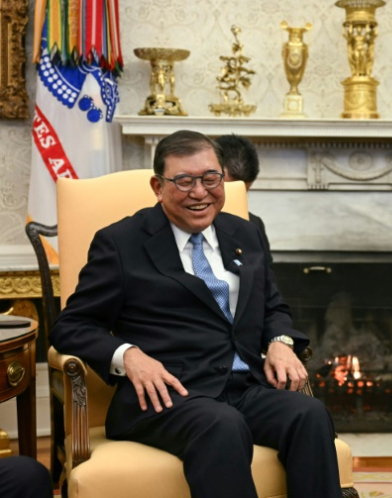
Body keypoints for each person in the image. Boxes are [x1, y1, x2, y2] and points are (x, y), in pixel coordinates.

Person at [50, 130, 341, 497]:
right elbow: (71, 325)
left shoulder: (245, 233)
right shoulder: (121, 243)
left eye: (209, 179)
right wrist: (129, 356)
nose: (200, 192)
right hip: (166, 395)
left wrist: (281, 341)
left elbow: (272, 306)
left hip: (244, 386)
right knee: (222, 424)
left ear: (223, 177)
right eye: (184, 181)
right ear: (158, 186)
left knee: (309, 415)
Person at [216, 134, 272, 263]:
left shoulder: (253, 225)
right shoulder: (183, 222)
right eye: (227, 191)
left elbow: (266, 277)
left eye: (241, 193)